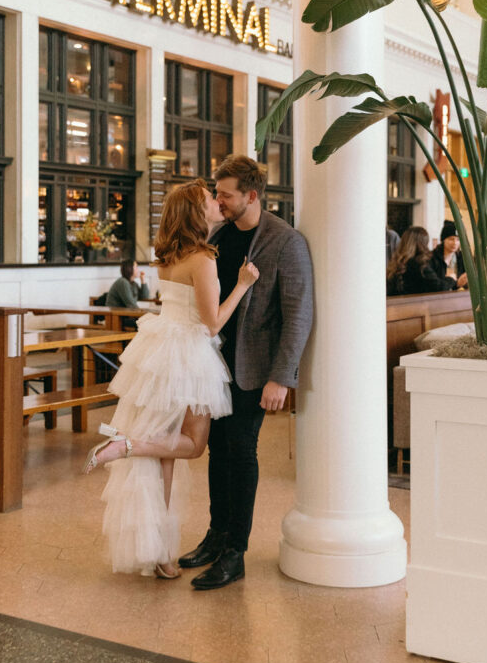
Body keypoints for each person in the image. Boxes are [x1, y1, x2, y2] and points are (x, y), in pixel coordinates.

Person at [82, 178, 259, 580]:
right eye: (208, 200)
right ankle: (129, 444)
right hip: (191, 355)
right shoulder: (203, 258)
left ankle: (160, 555)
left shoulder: (168, 257)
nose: (216, 203)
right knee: (192, 447)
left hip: (161, 350)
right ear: (196, 214)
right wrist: (243, 286)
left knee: (165, 458)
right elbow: (212, 324)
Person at [179, 155, 314, 591]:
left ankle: (235, 552)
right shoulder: (217, 234)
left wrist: (283, 376)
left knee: (241, 453)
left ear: (251, 196)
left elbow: (298, 315)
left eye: (225, 194)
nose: (219, 201)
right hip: (212, 365)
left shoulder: (285, 241)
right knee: (217, 451)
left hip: (254, 370)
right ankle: (215, 537)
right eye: (217, 194)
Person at [387, 226, 459, 296]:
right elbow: (438, 287)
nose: (455, 242)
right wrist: (451, 279)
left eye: (457, 239)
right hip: (417, 305)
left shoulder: (397, 262)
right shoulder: (420, 264)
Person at [430, 220, 467, 288]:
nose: (455, 243)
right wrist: (456, 283)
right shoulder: (432, 257)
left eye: (458, 240)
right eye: (451, 239)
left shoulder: (462, 257)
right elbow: (434, 285)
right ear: (443, 240)